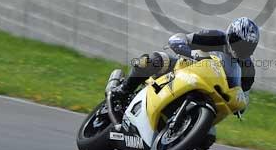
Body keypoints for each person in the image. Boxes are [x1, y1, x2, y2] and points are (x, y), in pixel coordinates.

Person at [110, 17, 259, 103]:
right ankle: (123, 90)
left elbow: (243, 96)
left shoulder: (248, 69)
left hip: (210, 92)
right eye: (237, 41)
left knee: (207, 139)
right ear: (230, 34)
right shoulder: (214, 37)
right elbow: (179, 39)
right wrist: (189, 51)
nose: (240, 48)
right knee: (153, 60)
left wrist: (239, 103)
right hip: (183, 69)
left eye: (246, 46)